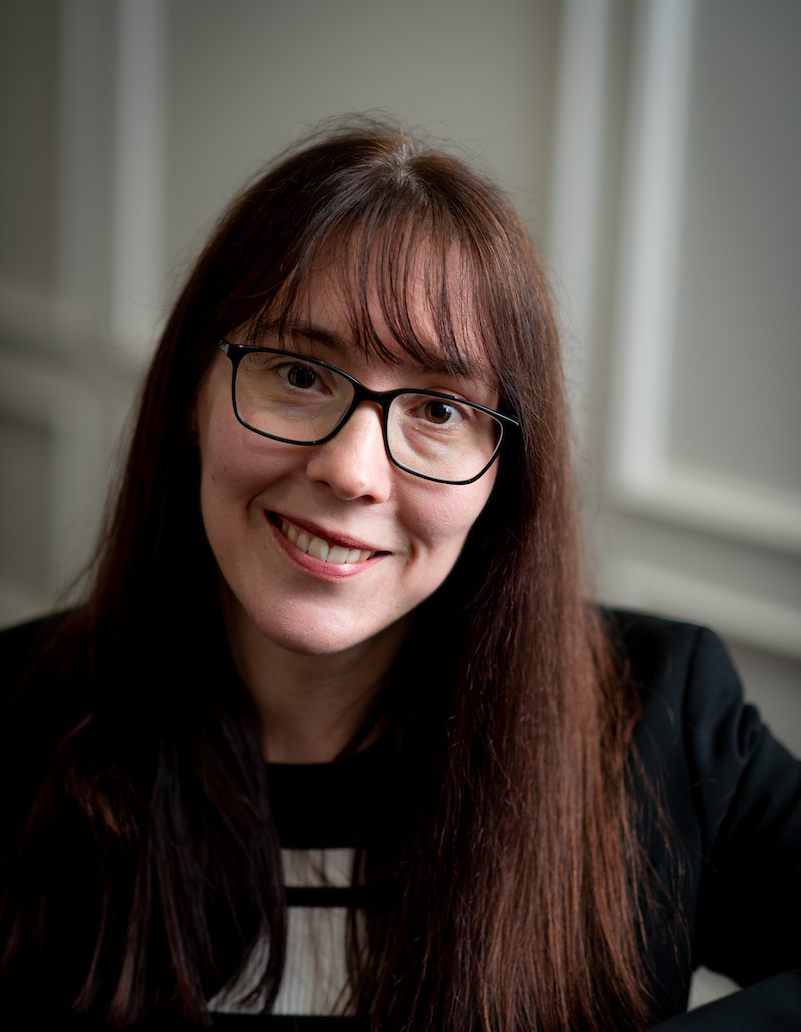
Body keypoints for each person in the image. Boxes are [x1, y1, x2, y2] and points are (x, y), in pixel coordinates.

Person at [1, 118, 799, 1032]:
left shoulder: (657, 719)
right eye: (298, 373)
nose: (352, 470)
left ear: (503, 473)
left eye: (436, 408)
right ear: (192, 395)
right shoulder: (19, 717)